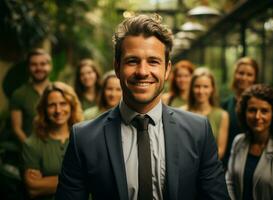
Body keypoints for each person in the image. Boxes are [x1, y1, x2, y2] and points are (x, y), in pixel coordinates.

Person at [55, 14, 229, 200]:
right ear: (117, 67)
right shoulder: (84, 138)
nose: (143, 72)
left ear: (167, 69)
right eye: (132, 61)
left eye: (153, 61)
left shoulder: (198, 131)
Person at [226, 84, 273, 200]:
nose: (257, 116)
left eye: (264, 111)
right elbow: (229, 181)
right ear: (244, 112)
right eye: (252, 110)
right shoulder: (238, 141)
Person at [22, 82, 83, 200]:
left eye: (63, 103)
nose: (58, 110)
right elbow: (32, 189)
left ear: (72, 106)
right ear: (43, 109)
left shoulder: (85, 137)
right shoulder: (31, 144)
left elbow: (98, 178)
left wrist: (45, 182)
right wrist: (82, 180)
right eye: (51, 105)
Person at [182, 68, 229, 159]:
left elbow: (220, 150)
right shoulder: (181, 112)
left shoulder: (222, 115)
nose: (201, 91)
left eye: (205, 87)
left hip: (209, 169)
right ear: (191, 88)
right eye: (197, 86)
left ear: (212, 89)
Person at [221, 57, 259, 167]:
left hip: (253, 162)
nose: (244, 77)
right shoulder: (226, 105)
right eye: (241, 73)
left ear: (255, 78)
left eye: (249, 74)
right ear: (235, 75)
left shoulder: (260, 106)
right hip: (228, 162)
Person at [10, 48, 52, 143]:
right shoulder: (19, 94)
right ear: (28, 67)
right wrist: (30, 148)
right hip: (30, 150)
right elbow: (16, 129)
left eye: (43, 64)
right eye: (34, 64)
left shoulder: (59, 91)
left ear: (49, 66)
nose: (39, 68)